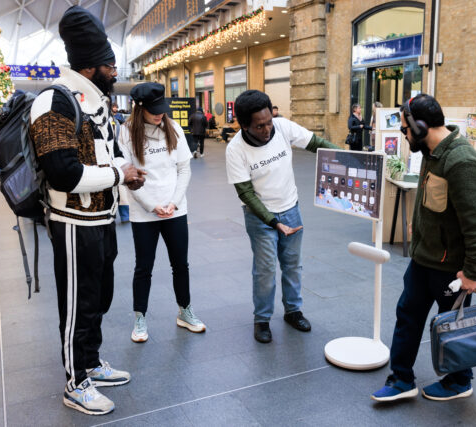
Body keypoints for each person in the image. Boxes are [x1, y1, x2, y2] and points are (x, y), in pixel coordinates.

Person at [29, 6, 146, 415]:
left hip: (102, 221)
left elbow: (103, 157)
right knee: (78, 304)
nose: (116, 72)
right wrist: (118, 173)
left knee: (98, 298)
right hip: (74, 224)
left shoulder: (94, 101)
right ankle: (75, 383)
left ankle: (91, 364)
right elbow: (64, 173)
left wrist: (121, 178)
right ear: (94, 66)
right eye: (111, 65)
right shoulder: (53, 102)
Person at [371, 94, 476, 402]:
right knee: (408, 314)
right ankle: (402, 379)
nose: (403, 134)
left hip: (451, 268)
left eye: (405, 128)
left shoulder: (461, 161)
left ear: (421, 126)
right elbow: (432, 199)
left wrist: (474, 272)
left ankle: (459, 381)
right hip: (424, 257)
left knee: (452, 326)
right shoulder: (431, 150)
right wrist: (419, 226)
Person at [225, 90, 339, 344]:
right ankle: (262, 319)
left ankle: (293, 311)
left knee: (292, 265)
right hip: (260, 216)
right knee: (265, 270)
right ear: (244, 125)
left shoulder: (283, 127)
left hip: (291, 208)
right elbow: (247, 194)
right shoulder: (235, 150)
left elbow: (317, 144)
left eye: (269, 122)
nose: (267, 129)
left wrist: (352, 158)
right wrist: (274, 223)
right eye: (259, 126)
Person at [119, 82, 206, 343]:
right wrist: (150, 205)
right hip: (144, 213)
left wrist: (174, 202)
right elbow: (127, 175)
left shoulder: (173, 127)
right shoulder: (125, 132)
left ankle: (185, 311)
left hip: (175, 210)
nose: (160, 115)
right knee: (143, 267)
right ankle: (140, 317)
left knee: (181, 264)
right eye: (154, 110)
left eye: (162, 109)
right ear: (140, 108)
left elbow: (184, 169)